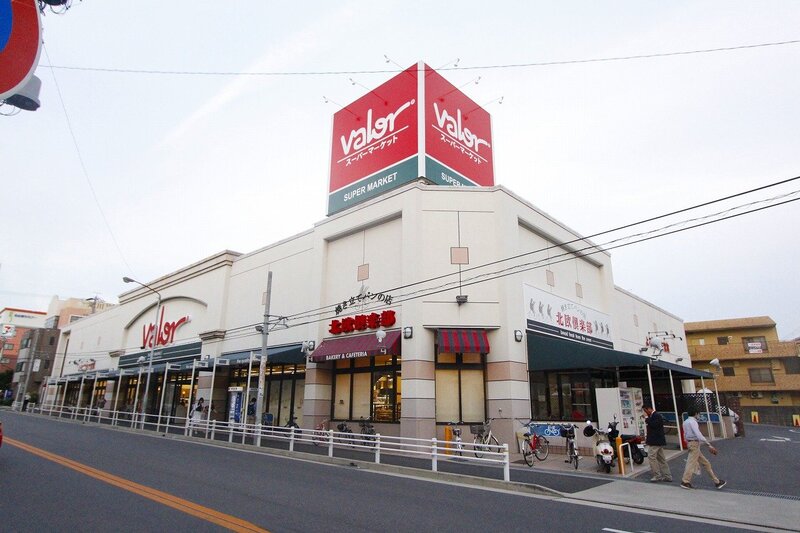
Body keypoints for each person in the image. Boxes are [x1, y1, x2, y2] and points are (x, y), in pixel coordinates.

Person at [681, 406, 726, 490]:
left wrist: (687, 442)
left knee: (706, 463)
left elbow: (685, 434)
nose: (699, 416)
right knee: (691, 463)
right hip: (694, 444)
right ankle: (685, 481)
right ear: (696, 414)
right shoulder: (693, 422)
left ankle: (717, 482)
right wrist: (708, 444)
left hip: (691, 443)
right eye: (698, 414)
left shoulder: (685, 422)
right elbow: (698, 434)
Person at [643, 406, 672, 482]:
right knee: (661, 458)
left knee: (651, 456)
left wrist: (647, 419)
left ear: (649, 409)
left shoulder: (656, 415)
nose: (645, 412)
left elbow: (654, 425)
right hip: (657, 441)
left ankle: (657, 475)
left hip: (655, 441)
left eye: (645, 410)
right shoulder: (654, 415)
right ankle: (667, 476)